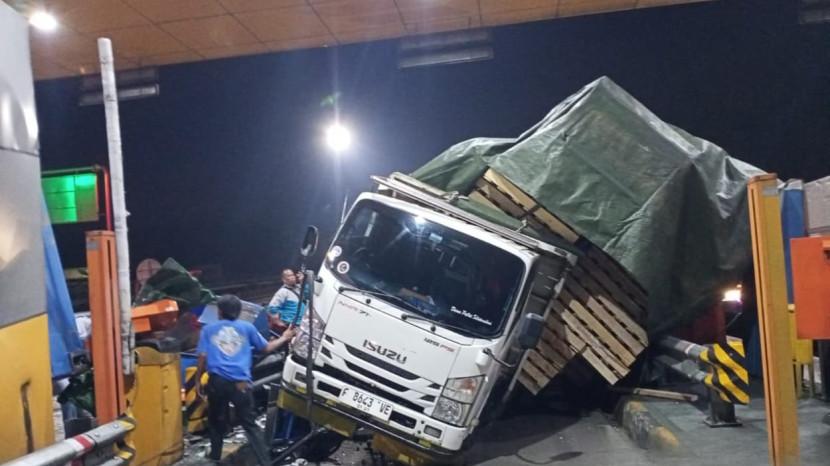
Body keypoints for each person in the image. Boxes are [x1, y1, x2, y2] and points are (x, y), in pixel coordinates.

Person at [195, 294, 295, 465]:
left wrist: (197, 381)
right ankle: (266, 462)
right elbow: (266, 348)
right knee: (249, 424)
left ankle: (215, 457)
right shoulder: (247, 328)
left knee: (216, 420)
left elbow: (202, 357)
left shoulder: (208, 330)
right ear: (238, 312)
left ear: (219, 311)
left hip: (217, 382)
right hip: (240, 383)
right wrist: (285, 337)